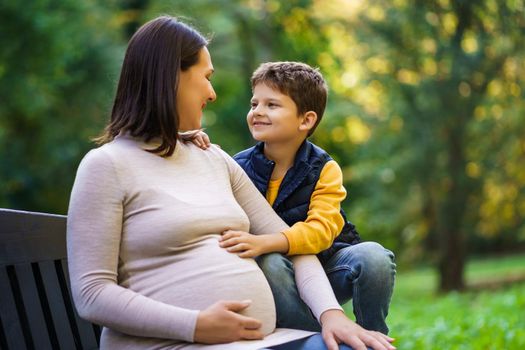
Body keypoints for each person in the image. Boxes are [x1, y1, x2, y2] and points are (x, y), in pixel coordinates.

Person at [66, 15, 396, 350]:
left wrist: (332, 315)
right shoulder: (106, 166)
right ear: (171, 78)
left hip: (262, 341)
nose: (212, 93)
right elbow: (92, 294)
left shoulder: (213, 159)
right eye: (206, 78)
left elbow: (295, 249)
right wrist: (195, 326)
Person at [191, 62, 396, 334]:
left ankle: (372, 337)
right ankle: (320, 335)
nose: (258, 112)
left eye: (272, 105)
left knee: (375, 257)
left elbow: (321, 232)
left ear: (306, 120)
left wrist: (267, 241)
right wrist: (198, 147)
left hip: (325, 267)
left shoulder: (323, 168)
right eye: (254, 104)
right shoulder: (237, 166)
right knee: (271, 261)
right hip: (275, 279)